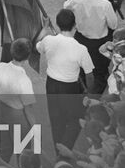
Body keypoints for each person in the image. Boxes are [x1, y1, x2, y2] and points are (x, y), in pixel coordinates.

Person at [36, 10, 94, 152]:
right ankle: (65, 147)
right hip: (70, 88)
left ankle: (58, 149)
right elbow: (89, 75)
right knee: (75, 119)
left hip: (51, 85)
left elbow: (37, 45)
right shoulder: (81, 49)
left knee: (56, 119)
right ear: (75, 25)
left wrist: (44, 29)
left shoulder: (48, 40)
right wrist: (89, 94)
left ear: (57, 24)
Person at [63, 0, 117, 94]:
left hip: (80, 39)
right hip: (99, 44)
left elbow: (65, 7)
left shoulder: (75, 0)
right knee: (99, 73)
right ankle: (94, 99)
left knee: (80, 70)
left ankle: (79, 94)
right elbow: (113, 25)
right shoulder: (105, 5)